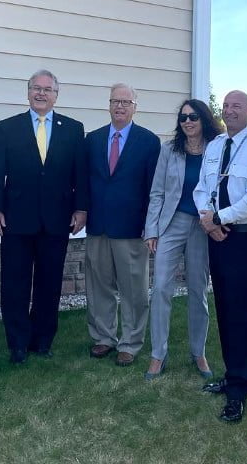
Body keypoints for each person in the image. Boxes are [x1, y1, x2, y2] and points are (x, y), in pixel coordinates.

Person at [0, 70, 89, 364]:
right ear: (27, 92)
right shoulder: (8, 127)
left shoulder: (73, 129)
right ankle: (17, 342)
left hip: (57, 220)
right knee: (14, 283)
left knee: (49, 283)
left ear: (56, 94)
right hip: (16, 219)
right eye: (36, 89)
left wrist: (81, 208)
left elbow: (80, 173)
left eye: (47, 90)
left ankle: (42, 340)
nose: (41, 94)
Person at [195, 90, 247, 423]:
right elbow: (203, 187)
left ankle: (240, 388)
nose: (230, 111)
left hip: (243, 238)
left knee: (240, 312)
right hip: (216, 236)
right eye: (226, 106)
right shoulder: (214, 146)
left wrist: (220, 218)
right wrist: (207, 218)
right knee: (224, 309)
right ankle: (232, 374)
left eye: (237, 106)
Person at [144, 99, 222, 381]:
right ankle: (158, 354)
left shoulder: (217, 149)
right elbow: (157, 193)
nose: (188, 122)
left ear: (203, 119)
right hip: (171, 223)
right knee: (161, 287)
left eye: (193, 117)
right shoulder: (170, 151)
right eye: (183, 118)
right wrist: (151, 230)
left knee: (198, 290)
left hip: (202, 226)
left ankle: (198, 351)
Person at [83, 83, 160, 366]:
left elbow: (154, 188)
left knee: (133, 289)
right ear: (109, 104)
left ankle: (130, 342)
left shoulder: (149, 142)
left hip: (132, 228)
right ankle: (104, 338)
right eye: (115, 101)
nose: (120, 106)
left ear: (135, 107)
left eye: (126, 102)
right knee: (99, 286)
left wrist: (150, 225)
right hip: (98, 225)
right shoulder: (93, 139)